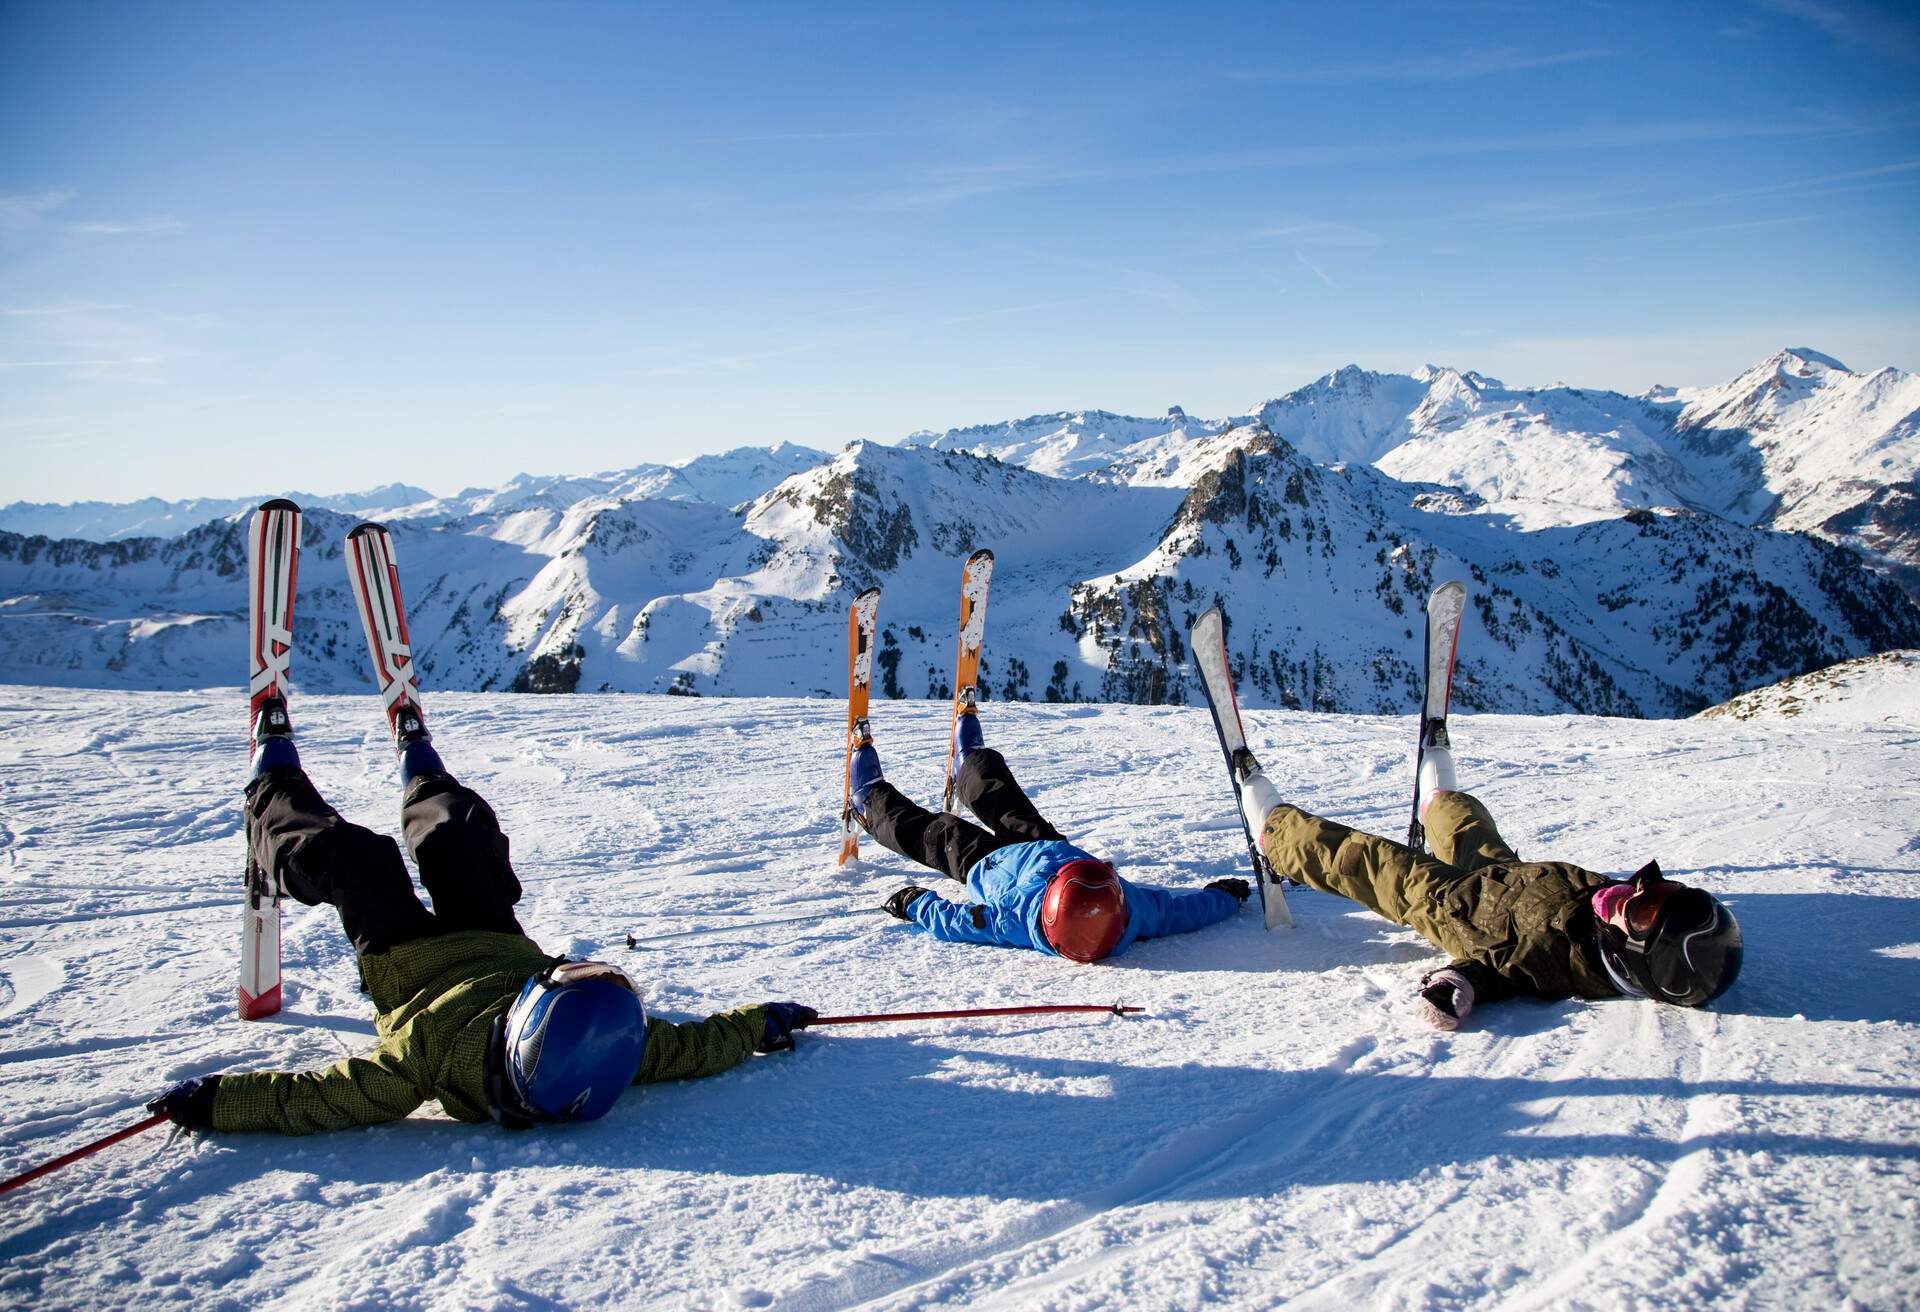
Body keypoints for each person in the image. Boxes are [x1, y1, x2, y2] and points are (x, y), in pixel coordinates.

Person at [149, 688, 816, 1135]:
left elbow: (318, 1099)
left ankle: (271, 794)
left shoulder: (424, 1058)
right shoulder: (609, 1053)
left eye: (554, 980)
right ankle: (423, 768)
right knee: (462, 833)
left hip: (407, 962)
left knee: (356, 859)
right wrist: (763, 1022)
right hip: (494, 940)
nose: (561, 967)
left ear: (525, 1023)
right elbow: (698, 1047)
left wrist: (214, 1103)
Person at [1231, 730, 1743, 1030]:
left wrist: (1457, 985)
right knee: (1463, 819)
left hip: (1452, 907)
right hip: (1508, 877)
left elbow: (1499, 974)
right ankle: (1437, 788)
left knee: (1368, 861)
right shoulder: (1606, 909)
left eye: (1644, 910)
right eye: (1656, 889)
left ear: (1637, 959)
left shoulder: (1558, 968)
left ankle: (1274, 831)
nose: (1635, 891)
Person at [851, 691, 1248, 961]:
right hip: (1043, 844)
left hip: (984, 864)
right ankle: (970, 763)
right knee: (999, 794)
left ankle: (869, 799)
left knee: (935, 834)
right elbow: (1183, 910)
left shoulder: (1016, 919)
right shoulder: (1133, 912)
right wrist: (1225, 898)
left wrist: (916, 904)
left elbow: (957, 923)